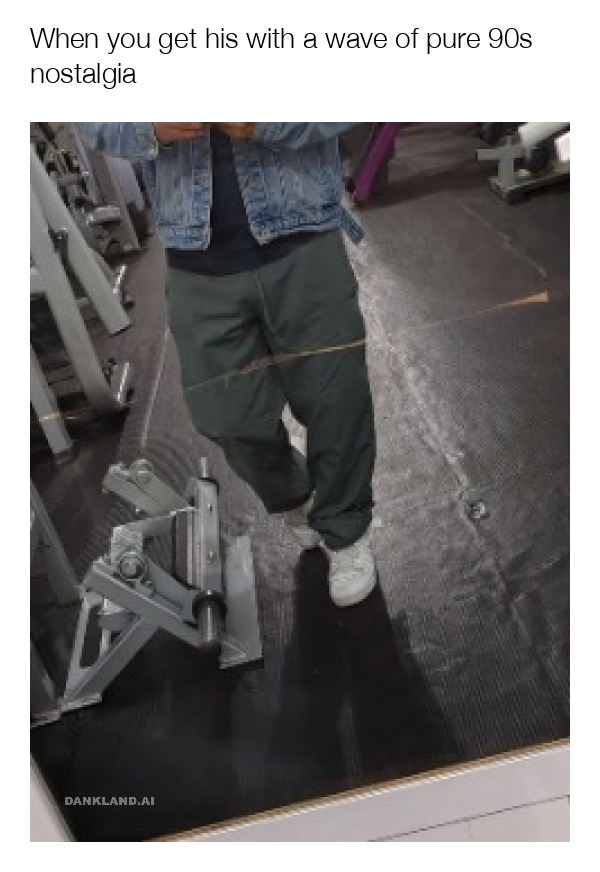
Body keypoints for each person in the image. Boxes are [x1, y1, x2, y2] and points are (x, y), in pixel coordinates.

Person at [78, 122, 377, 607]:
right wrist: (149, 127)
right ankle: (296, 493)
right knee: (227, 417)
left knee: (336, 401)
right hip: (197, 258)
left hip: (303, 236)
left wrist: (265, 122)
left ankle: (346, 532)